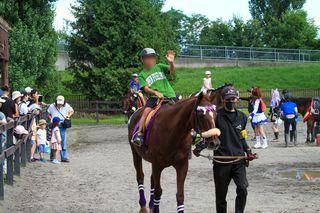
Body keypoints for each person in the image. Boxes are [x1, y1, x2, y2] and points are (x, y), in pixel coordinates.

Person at [213, 86, 255, 213]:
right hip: (221, 162)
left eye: (233, 98)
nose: (231, 101)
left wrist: (248, 151)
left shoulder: (242, 117)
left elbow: (241, 137)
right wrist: (199, 147)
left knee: (243, 189)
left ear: (236, 99)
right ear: (223, 100)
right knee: (221, 196)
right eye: (228, 99)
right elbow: (211, 135)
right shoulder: (216, 116)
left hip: (238, 160)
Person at [133, 48, 176, 146]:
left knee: (184, 110)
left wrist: (171, 63)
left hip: (170, 95)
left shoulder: (160, 67)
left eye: (152, 57)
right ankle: (140, 134)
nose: (151, 60)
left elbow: (171, 70)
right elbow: (146, 88)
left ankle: (192, 133)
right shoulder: (142, 75)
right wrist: (155, 93)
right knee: (145, 113)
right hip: (154, 98)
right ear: (142, 60)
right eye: (148, 58)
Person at [47, 95, 74, 162]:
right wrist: (51, 119)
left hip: (62, 124)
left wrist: (68, 116)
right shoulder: (52, 106)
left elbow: (72, 111)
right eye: (58, 103)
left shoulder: (67, 106)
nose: (59, 104)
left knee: (63, 141)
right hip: (54, 124)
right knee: (54, 141)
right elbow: (48, 113)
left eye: (60, 103)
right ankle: (53, 157)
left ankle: (63, 157)